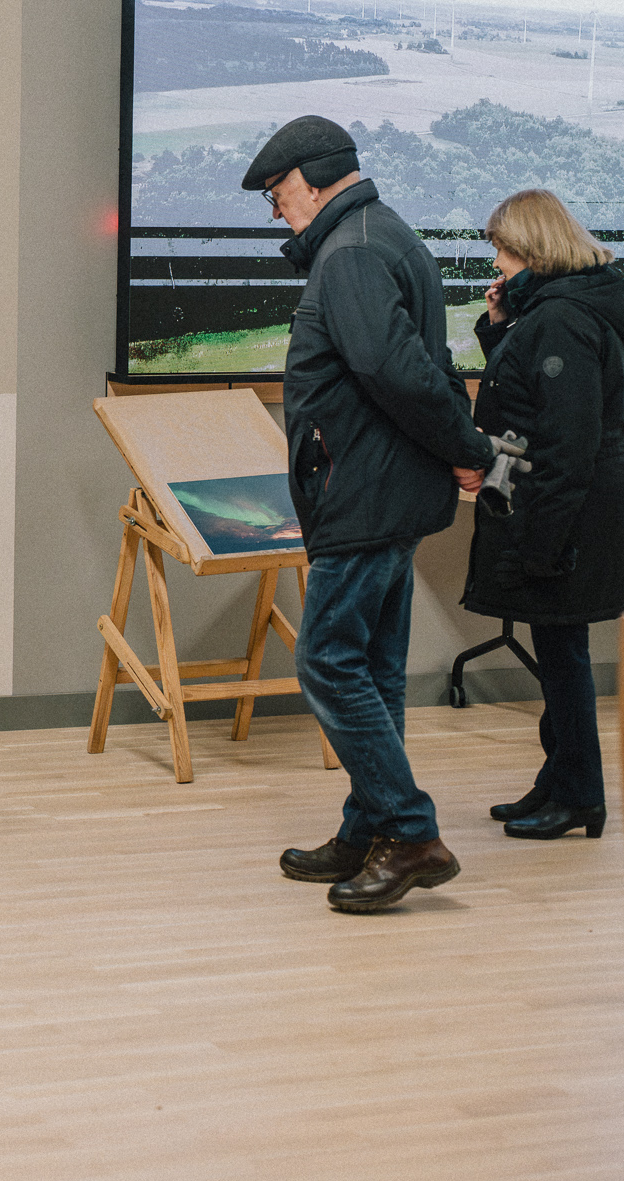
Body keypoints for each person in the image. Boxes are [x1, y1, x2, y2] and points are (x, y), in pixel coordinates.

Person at [245, 116, 498, 914]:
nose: (277, 210)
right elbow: (428, 366)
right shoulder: (382, 232)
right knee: (374, 666)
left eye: (279, 193)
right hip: (387, 490)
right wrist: (462, 446)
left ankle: (410, 831)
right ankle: (366, 827)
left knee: (326, 659)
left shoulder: (349, 252)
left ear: (314, 178)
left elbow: (398, 372)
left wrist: (468, 447)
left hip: (363, 490)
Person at [456, 189, 624, 840]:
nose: (496, 264)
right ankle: (558, 779)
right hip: (565, 503)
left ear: (533, 250)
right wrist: (500, 325)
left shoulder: (563, 319)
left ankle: (581, 794)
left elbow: (565, 444)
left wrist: (543, 540)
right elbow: (527, 394)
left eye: (503, 251)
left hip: (569, 509)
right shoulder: (557, 310)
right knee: (560, 649)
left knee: (564, 654)